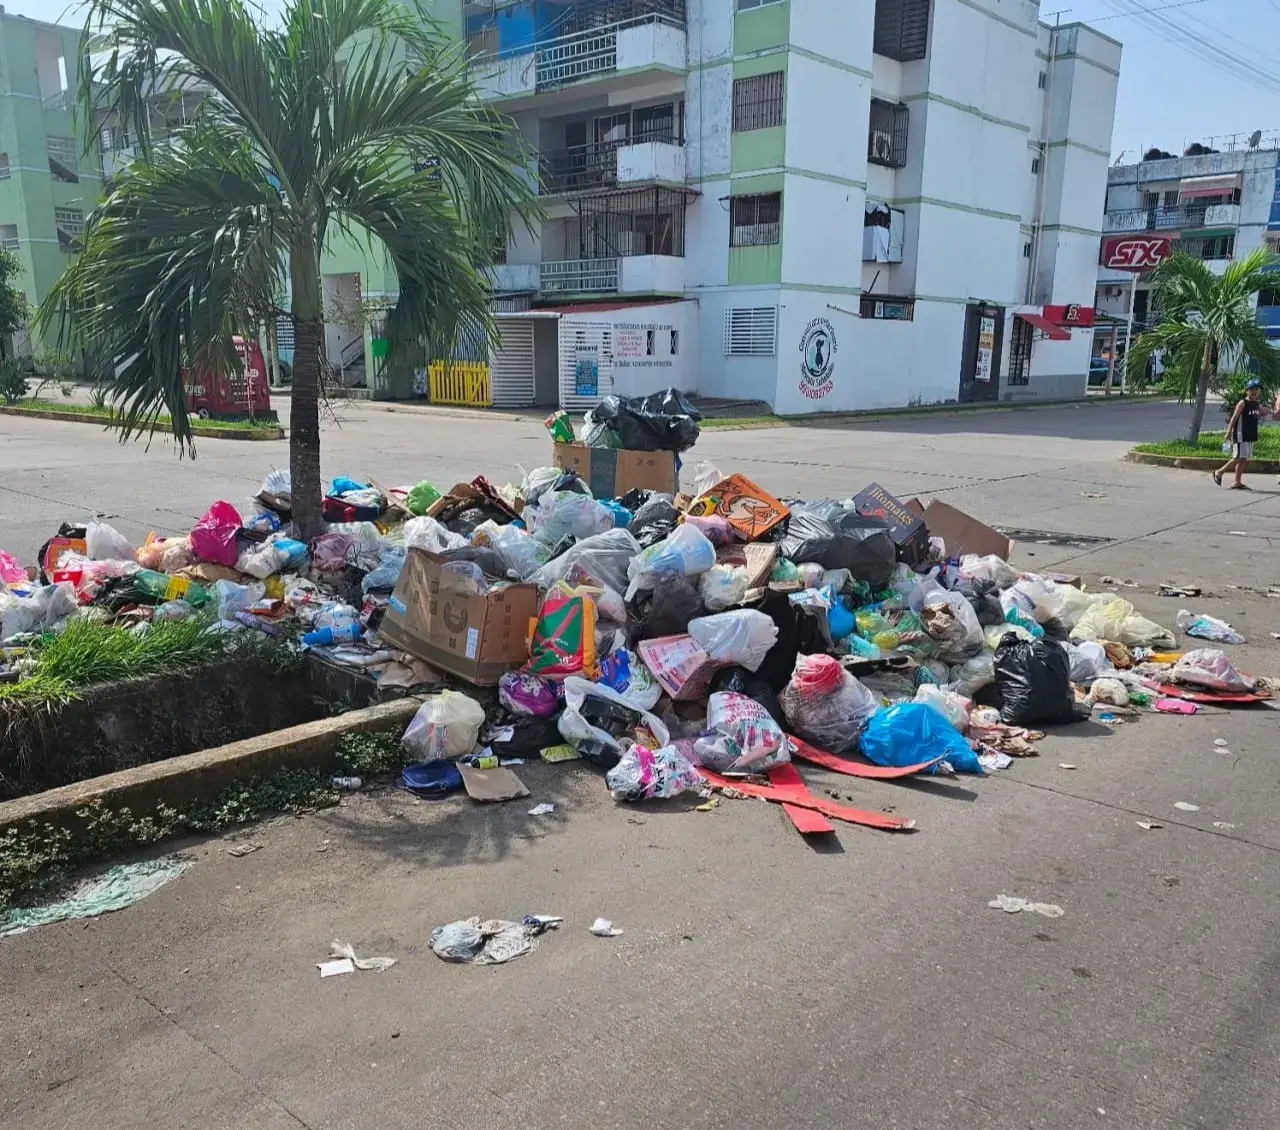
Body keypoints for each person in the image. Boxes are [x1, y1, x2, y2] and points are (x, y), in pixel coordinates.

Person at [1213, 379, 1264, 489]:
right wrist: (1228, 432)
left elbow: (1258, 413)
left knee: (1244, 459)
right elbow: (1234, 418)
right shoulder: (1243, 403)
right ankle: (1219, 472)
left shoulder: (1255, 403)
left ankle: (1237, 481)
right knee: (1237, 457)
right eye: (1252, 389)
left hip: (1250, 436)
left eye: (1256, 389)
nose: (1254, 392)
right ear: (1247, 391)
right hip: (1241, 435)